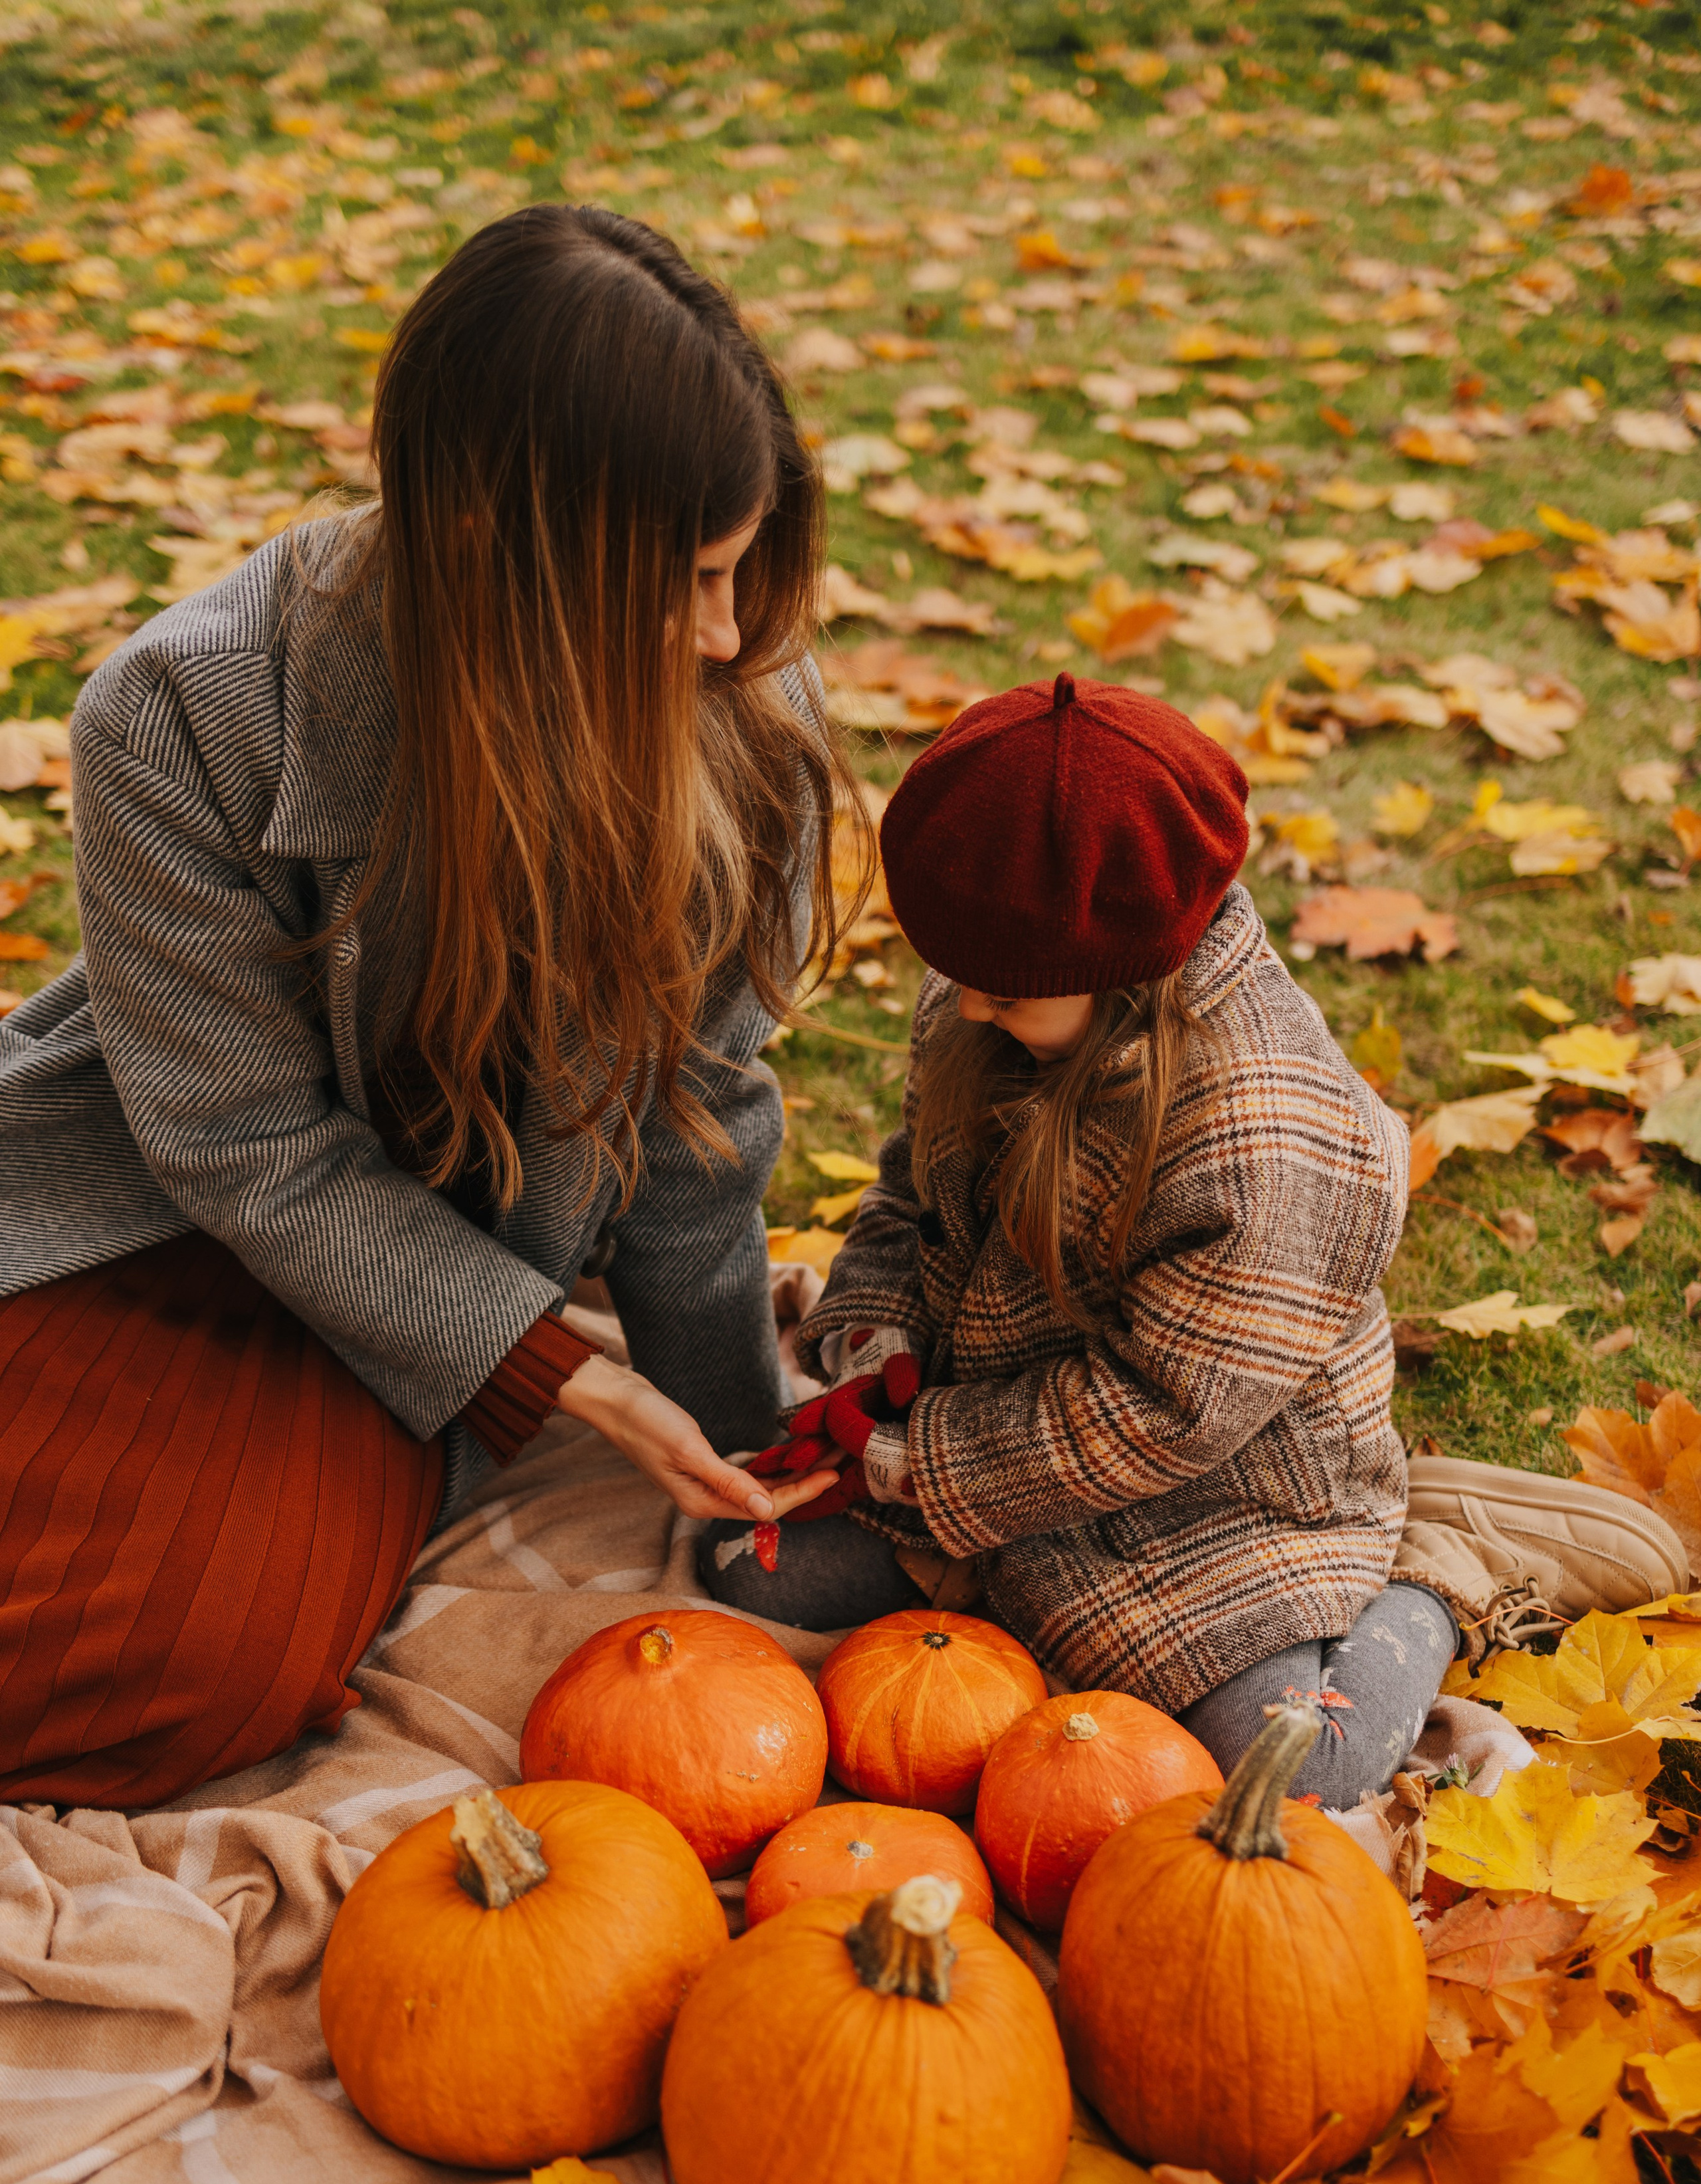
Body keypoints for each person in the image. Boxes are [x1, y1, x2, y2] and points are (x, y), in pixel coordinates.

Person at [0, 204, 845, 1810]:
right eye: (685, 582)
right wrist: (558, 1374)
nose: (730, 633)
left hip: (417, 1297)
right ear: (495, 560)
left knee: (215, 1653)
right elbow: (238, 1145)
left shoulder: (736, 713)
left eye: (739, 567)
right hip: (163, 1213)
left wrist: (745, 1443)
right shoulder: (182, 714)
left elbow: (694, 1113)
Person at [704, 674, 1686, 1810]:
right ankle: (988, 1564)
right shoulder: (1002, 988)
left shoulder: (1263, 1145)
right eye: (960, 980)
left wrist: (914, 1460)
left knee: (1288, 1767)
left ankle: (1437, 1569)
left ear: (1116, 971)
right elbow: (909, 1191)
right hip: (993, 1438)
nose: (965, 1009)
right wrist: (875, 1346)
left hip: (1218, 1495)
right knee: (739, 1566)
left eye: (999, 996)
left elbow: (1161, 1411)